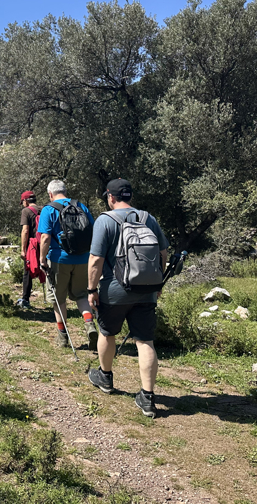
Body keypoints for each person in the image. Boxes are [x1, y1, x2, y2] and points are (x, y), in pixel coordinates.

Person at [87, 178, 169, 419]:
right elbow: (163, 251)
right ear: (129, 196)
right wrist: (157, 281)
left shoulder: (105, 220)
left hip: (114, 290)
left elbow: (95, 259)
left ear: (111, 197)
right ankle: (147, 396)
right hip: (146, 290)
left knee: (107, 333)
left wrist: (92, 290)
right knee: (145, 341)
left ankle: (105, 376)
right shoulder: (148, 218)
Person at [38, 179, 98, 350]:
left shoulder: (49, 209)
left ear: (50, 194)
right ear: (65, 190)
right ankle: (89, 324)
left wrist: (42, 260)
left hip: (59, 259)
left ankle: (63, 336)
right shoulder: (81, 207)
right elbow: (92, 231)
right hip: (83, 258)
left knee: (59, 298)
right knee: (81, 295)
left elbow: (45, 237)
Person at [17, 190, 41, 309]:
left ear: (25, 201)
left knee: (27, 271)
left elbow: (25, 230)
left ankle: (25, 299)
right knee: (46, 269)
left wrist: (23, 249)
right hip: (45, 243)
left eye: (22, 202)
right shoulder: (43, 209)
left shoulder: (26, 211)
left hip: (32, 245)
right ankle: (55, 300)